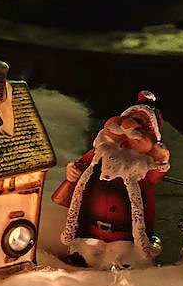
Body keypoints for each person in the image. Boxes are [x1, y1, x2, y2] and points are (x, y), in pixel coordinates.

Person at [53, 91, 170, 269]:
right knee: (87, 253)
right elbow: (82, 166)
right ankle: (83, 258)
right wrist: (73, 172)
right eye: (132, 119)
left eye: (141, 123)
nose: (132, 127)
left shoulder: (143, 164)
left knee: (121, 258)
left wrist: (160, 160)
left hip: (124, 234)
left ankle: (123, 264)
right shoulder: (102, 150)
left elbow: (154, 177)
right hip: (90, 228)